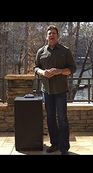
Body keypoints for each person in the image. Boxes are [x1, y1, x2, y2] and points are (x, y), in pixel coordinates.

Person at [34, 25, 76, 155]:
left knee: (62, 119)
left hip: (61, 91)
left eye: (54, 33)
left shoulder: (65, 51)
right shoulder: (41, 51)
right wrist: (42, 72)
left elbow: (72, 69)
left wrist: (59, 71)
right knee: (50, 118)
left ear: (57, 36)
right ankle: (54, 144)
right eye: (49, 33)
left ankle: (64, 147)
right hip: (47, 92)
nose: (51, 35)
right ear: (46, 36)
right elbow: (35, 68)